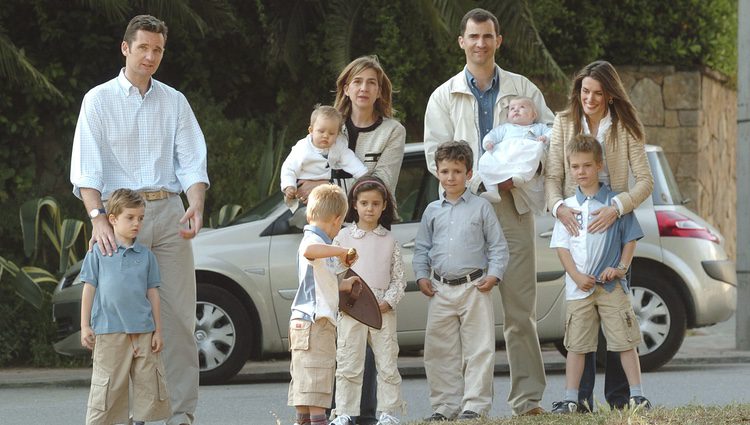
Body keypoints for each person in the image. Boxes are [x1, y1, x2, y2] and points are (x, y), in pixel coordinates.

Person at [70, 15, 208, 425]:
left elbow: (192, 162)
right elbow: (86, 170)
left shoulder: (175, 101)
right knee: (117, 325)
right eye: (143, 47)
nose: (150, 56)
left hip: (167, 214)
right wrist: (98, 219)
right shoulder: (97, 100)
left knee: (179, 320)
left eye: (158, 50)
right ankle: (124, 417)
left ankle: (179, 415)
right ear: (125, 48)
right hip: (115, 217)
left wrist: (196, 203)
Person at [423, 8, 553, 416]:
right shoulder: (443, 96)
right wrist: (481, 186)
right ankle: (466, 406)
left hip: (513, 209)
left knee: (519, 311)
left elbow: (550, 141)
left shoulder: (523, 88)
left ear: (499, 41)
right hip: (463, 213)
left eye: (488, 36)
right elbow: (435, 155)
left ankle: (527, 401)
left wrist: (518, 178)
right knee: (461, 317)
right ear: (461, 41)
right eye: (473, 37)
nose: (480, 43)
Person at [544, 60, 654, 410]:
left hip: (614, 225)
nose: (589, 98)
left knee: (617, 315)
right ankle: (580, 400)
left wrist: (617, 207)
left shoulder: (625, 128)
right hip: (577, 224)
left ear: (610, 95)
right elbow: (551, 177)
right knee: (582, 319)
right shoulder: (563, 123)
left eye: (598, 93)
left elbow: (645, 181)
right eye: (585, 91)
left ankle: (623, 399)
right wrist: (559, 207)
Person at [413, 141, 509, 421]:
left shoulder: (481, 208)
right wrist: (421, 275)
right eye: (445, 171)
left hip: (474, 287)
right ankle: (445, 406)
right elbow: (421, 248)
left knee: (479, 349)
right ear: (437, 172)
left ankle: (475, 406)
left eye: (457, 171)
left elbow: (497, 246)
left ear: (469, 174)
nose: (450, 177)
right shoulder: (432, 211)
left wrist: (494, 275)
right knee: (439, 350)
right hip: (440, 289)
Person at [80, 189, 171, 425]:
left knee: (147, 385)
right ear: (112, 219)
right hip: (109, 331)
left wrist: (158, 331)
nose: (136, 223)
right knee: (107, 387)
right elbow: (88, 289)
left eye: (140, 218)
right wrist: (85, 326)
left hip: (143, 331)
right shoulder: (98, 253)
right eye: (130, 217)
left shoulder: (147, 256)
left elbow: (153, 294)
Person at [331, 177, 406, 425]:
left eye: (375, 203)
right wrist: (343, 299)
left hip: (382, 308)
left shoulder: (389, 240)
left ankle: (388, 413)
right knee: (348, 361)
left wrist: (389, 302)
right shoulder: (343, 238)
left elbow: (399, 279)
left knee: (387, 362)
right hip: (352, 308)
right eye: (364, 203)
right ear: (354, 204)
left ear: (384, 206)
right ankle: (343, 412)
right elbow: (333, 273)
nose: (369, 208)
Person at [288, 184, 360, 425]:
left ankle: (305, 420)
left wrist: (344, 285)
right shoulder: (312, 241)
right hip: (315, 321)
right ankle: (318, 420)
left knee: (306, 379)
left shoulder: (321, 249)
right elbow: (309, 250)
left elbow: (320, 282)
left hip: (307, 320)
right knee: (318, 378)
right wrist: (341, 251)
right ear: (337, 220)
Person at [280, 105, 367, 205]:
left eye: (331, 133)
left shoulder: (338, 146)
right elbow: (288, 168)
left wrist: (363, 175)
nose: (325, 135)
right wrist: (289, 186)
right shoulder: (302, 148)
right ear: (311, 130)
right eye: (321, 131)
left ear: (337, 135)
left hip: (325, 190)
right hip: (303, 189)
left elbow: (350, 161)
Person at [478, 96, 551, 210]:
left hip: (525, 152)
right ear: (507, 117)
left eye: (522, 107)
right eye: (512, 108)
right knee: (485, 160)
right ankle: (492, 190)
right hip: (505, 156)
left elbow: (551, 132)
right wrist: (488, 142)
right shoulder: (505, 128)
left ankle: (521, 176)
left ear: (533, 115)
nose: (516, 110)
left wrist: (545, 137)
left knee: (534, 151)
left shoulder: (538, 127)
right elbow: (492, 135)